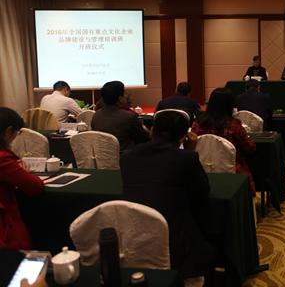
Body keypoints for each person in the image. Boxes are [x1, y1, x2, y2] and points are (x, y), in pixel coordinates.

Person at [120, 110, 214, 283]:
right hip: (174, 241)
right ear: (183, 137)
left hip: (134, 236)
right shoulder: (186, 158)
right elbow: (202, 191)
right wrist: (190, 150)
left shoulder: (127, 157)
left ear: (151, 130)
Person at [192, 88, 256, 193]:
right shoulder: (234, 126)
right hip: (233, 172)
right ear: (230, 105)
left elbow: (191, 146)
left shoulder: (198, 124)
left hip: (201, 171)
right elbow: (250, 148)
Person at [0, 107, 44, 250]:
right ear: (8, 132)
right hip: (6, 229)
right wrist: (24, 172)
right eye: (16, 132)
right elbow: (35, 187)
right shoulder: (3, 159)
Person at [91, 81, 150, 152]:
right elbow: (144, 140)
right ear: (120, 98)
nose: (126, 96)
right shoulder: (129, 116)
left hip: (102, 156)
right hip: (124, 157)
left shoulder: (96, 115)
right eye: (124, 93)